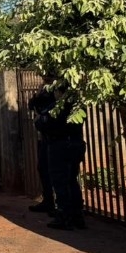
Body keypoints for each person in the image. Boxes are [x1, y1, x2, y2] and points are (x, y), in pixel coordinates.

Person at [38, 81, 87, 230]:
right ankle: (77, 215)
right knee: (72, 180)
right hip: (76, 145)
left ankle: (64, 216)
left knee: (60, 181)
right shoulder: (78, 106)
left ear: (59, 92)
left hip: (60, 146)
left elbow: (41, 123)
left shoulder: (58, 108)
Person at [28, 74, 58, 215]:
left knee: (56, 171)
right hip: (44, 137)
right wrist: (38, 94)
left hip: (55, 138)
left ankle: (59, 205)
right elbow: (31, 105)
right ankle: (48, 201)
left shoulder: (57, 92)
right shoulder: (43, 92)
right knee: (43, 168)